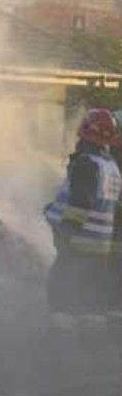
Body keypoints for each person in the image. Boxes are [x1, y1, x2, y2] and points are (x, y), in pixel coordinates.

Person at [44, 108, 122, 332]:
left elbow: (81, 205)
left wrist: (66, 234)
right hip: (100, 250)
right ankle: (93, 354)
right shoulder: (112, 168)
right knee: (92, 306)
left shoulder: (87, 164)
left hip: (77, 248)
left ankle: (62, 350)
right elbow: (105, 205)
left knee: (62, 301)